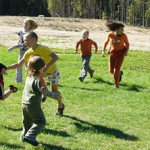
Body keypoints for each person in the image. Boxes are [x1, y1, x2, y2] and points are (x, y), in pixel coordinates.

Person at [7, 31, 65, 115]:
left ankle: (60, 106)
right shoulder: (28, 52)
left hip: (52, 71)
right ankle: (43, 97)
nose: (24, 42)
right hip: (40, 73)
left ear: (34, 40)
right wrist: (5, 68)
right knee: (38, 88)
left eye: (26, 40)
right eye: (23, 40)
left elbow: (55, 57)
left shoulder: (43, 48)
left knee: (54, 91)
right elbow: (19, 64)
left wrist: (46, 67)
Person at [21, 55, 61, 146]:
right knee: (40, 121)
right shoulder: (39, 79)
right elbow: (44, 91)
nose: (44, 69)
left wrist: (44, 97)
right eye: (43, 68)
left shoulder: (29, 77)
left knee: (27, 122)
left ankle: (24, 137)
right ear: (39, 68)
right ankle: (30, 136)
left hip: (24, 103)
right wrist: (55, 95)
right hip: (33, 104)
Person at [8, 18, 38, 83]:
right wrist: (18, 45)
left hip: (29, 51)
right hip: (22, 51)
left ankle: (32, 78)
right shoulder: (20, 32)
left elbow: (34, 42)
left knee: (29, 66)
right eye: (24, 23)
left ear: (29, 25)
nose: (25, 25)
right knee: (19, 65)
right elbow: (20, 41)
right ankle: (19, 81)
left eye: (27, 24)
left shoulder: (31, 33)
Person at [102, 20, 129, 88]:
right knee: (111, 71)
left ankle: (116, 84)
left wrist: (126, 51)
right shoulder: (110, 35)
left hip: (121, 53)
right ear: (116, 29)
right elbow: (106, 42)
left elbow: (127, 44)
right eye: (121, 29)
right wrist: (103, 51)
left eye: (123, 29)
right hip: (113, 53)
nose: (122, 31)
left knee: (116, 69)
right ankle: (119, 73)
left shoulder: (124, 36)